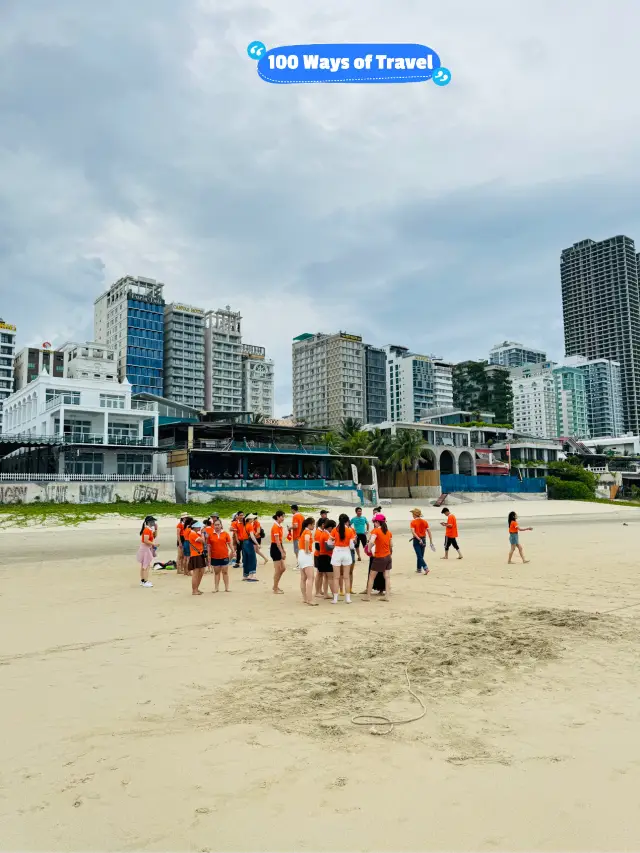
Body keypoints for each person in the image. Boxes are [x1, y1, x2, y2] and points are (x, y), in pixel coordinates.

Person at [329, 514, 356, 604]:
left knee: (336, 577)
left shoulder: (334, 530)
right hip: (346, 552)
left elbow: (329, 542)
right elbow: (352, 546)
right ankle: (347, 598)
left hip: (337, 552)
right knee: (346, 577)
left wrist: (335, 543)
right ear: (347, 521)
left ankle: (335, 599)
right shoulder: (350, 530)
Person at [365, 513, 393, 601]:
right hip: (388, 556)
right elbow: (391, 545)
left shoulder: (375, 531)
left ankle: (368, 596)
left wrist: (369, 549)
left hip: (379, 557)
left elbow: (371, 542)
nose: (374, 523)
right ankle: (387, 596)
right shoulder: (388, 532)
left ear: (377, 522)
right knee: (387, 576)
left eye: (374, 522)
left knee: (371, 576)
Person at [208, 518, 234, 591]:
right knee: (216, 572)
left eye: (218, 525)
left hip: (224, 556)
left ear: (221, 525)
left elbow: (229, 544)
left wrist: (233, 551)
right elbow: (209, 546)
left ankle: (227, 588)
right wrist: (209, 556)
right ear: (213, 525)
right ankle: (216, 588)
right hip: (215, 556)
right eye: (215, 525)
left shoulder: (225, 534)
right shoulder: (211, 535)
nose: (217, 526)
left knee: (225, 572)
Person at [298, 517, 318, 605]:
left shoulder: (303, 531)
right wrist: (307, 550)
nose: (314, 526)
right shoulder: (307, 532)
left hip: (301, 554)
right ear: (309, 525)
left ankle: (305, 598)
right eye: (313, 524)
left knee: (303, 578)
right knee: (310, 578)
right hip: (305, 555)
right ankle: (309, 599)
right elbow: (306, 540)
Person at [232, 511, 257, 582]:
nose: (253, 520)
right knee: (252, 558)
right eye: (252, 519)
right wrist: (257, 543)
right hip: (248, 543)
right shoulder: (250, 526)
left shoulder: (245, 526)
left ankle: (245, 575)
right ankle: (251, 575)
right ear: (249, 519)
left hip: (244, 543)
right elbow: (252, 536)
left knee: (245, 559)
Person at [410, 508, 434, 574]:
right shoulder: (425, 522)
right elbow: (429, 532)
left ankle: (425, 568)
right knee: (420, 555)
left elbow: (413, 532)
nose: (412, 515)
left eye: (412, 514)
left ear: (415, 514)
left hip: (417, 540)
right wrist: (431, 541)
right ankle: (419, 569)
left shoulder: (413, 522)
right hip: (424, 539)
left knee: (419, 555)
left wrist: (418, 539)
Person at [186, 520, 207, 595]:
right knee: (196, 573)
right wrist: (203, 533)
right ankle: (194, 590)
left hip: (199, 554)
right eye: (198, 526)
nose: (199, 528)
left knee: (201, 572)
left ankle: (196, 589)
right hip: (195, 555)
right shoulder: (193, 534)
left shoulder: (195, 533)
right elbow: (203, 541)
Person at [270, 510, 287, 594]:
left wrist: (283, 549)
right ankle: (275, 588)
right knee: (278, 569)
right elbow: (277, 541)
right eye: (282, 516)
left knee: (283, 568)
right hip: (275, 548)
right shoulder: (275, 527)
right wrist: (282, 552)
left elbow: (280, 541)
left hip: (278, 547)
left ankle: (275, 585)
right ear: (278, 517)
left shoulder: (279, 526)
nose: (283, 518)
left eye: (284, 516)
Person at [137, 515, 157, 588]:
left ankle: (143, 580)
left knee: (144, 565)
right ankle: (145, 581)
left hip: (145, 548)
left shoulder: (149, 529)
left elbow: (152, 537)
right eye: (153, 521)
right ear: (149, 522)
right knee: (146, 565)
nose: (154, 523)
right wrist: (154, 544)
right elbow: (146, 540)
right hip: (145, 548)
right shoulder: (147, 530)